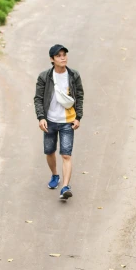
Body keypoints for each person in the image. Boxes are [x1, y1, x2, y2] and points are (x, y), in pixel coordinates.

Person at [34, 45, 84, 201]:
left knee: (66, 154)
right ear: (52, 59)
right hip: (49, 121)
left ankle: (65, 186)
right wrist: (41, 117)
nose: (63, 58)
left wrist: (78, 117)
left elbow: (80, 96)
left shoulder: (73, 75)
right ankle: (55, 175)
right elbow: (38, 99)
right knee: (49, 151)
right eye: (59, 56)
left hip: (67, 122)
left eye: (64, 55)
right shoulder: (44, 76)